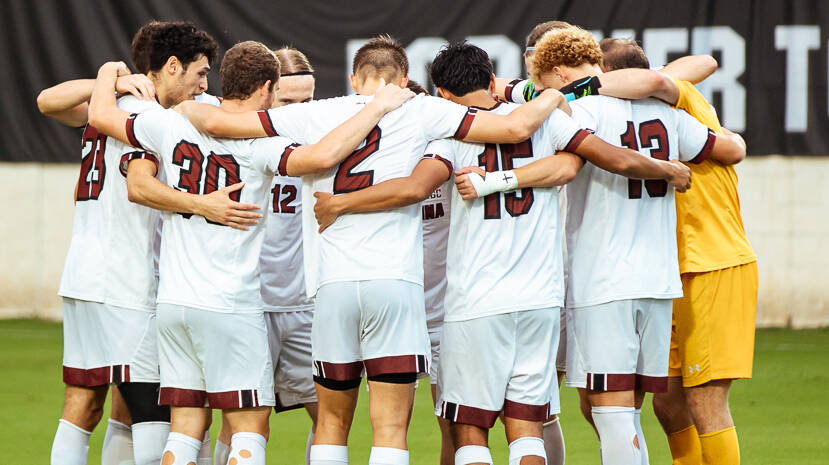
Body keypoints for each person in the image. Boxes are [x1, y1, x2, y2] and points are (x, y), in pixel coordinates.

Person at [177, 34, 582, 465]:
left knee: (332, 424)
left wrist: (177, 106)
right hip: (396, 283)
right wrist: (549, 94)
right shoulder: (424, 109)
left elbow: (218, 123)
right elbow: (515, 128)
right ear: (405, 79)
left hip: (331, 286)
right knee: (389, 428)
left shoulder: (318, 112)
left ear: (354, 79)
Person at [308, 41, 693, 465]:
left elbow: (415, 188)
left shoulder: (449, 134)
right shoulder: (546, 121)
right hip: (540, 299)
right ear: (493, 80)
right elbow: (582, 164)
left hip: (475, 302)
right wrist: (668, 168)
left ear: (442, 96)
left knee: (469, 429)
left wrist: (341, 202)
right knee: (527, 426)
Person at [87, 41, 414, 465]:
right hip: (231, 305)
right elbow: (325, 155)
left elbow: (98, 115)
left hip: (174, 304)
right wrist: (376, 107)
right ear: (267, 88)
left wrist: (108, 71)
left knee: (186, 429)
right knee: (250, 428)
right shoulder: (260, 145)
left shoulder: (167, 125)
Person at [453, 27, 746, 465]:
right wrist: (675, 166)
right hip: (660, 283)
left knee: (612, 414)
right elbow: (729, 148)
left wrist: (493, 180)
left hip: (603, 280)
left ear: (557, 71)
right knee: (629, 411)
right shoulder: (671, 115)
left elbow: (568, 165)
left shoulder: (579, 112)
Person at [37, 20, 242, 465]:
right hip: (125, 280)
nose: (204, 84)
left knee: (85, 405)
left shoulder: (110, 103)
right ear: (172, 67)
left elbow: (47, 101)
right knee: (155, 411)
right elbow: (140, 186)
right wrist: (204, 205)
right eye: (201, 73)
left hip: (84, 277)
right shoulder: (147, 116)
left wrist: (106, 76)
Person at [599, 38, 757, 465]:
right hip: (668, 271)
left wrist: (585, 85)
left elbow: (696, 62)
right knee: (667, 403)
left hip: (714, 262)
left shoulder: (680, 99)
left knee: (705, 401)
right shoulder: (624, 116)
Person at [213, 45, 320, 465]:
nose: (297, 111)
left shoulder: (327, 139)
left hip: (305, 303)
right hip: (249, 304)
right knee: (239, 422)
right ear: (267, 92)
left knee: (329, 414)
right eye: (287, 101)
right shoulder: (236, 138)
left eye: (307, 102)